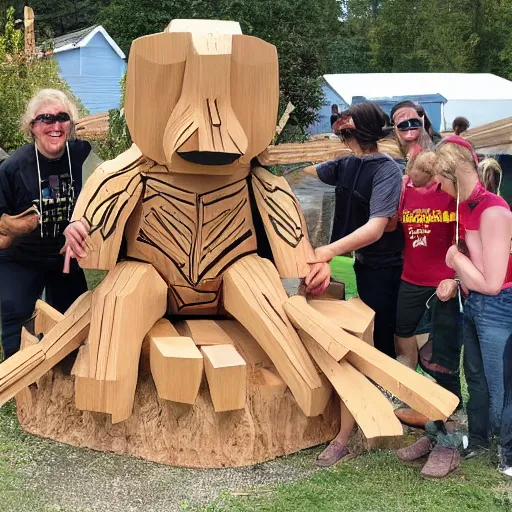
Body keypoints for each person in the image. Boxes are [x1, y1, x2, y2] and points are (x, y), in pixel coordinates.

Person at [304, 101, 403, 467]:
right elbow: (307, 174)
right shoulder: (346, 164)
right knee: (354, 341)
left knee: (374, 346)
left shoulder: (386, 170)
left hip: (386, 268)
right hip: (357, 264)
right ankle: (356, 421)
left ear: (360, 129)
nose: (340, 128)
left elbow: (377, 227)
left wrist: (328, 249)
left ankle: (359, 428)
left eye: (346, 124)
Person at [436, 135, 512, 477]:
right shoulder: (464, 207)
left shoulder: (494, 209)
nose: (437, 186)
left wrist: (454, 258)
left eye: (440, 178)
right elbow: (477, 269)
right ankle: (480, 439)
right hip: (475, 303)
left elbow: (492, 283)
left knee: (503, 385)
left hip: (499, 303)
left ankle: (509, 453)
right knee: (477, 379)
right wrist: (458, 274)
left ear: (454, 173)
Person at [0, 89, 91, 359]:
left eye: (62, 117)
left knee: (77, 315)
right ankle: (21, 379)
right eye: (46, 119)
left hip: (63, 254)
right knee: (15, 311)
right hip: (20, 257)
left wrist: (85, 222)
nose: (55, 125)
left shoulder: (80, 155)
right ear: (32, 128)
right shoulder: (13, 168)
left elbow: (102, 190)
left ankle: (67, 378)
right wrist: (13, 226)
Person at [394, 151, 462, 403]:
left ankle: (451, 401)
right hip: (410, 277)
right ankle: (406, 384)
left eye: (423, 182)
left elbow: (462, 237)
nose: (416, 186)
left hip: (444, 279)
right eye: (413, 180)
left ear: (436, 176)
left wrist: (456, 278)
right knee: (402, 331)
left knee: (444, 346)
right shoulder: (404, 190)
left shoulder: (449, 193)